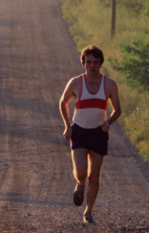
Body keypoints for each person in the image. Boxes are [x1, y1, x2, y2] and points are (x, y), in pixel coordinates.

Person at [59, 45, 121, 224]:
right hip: (79, 131)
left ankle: (88, 211)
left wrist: (108, 122)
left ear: (101, 63)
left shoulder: (109, 84)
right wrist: (67, 126)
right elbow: (63, 102)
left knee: (94, 174)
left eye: (95, 62)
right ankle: (80, 184)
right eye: (88, 62)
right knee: (81, 172)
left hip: (99, 133)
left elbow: (117, 109)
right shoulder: (75, 82)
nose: (92, 65)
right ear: (83, 64)